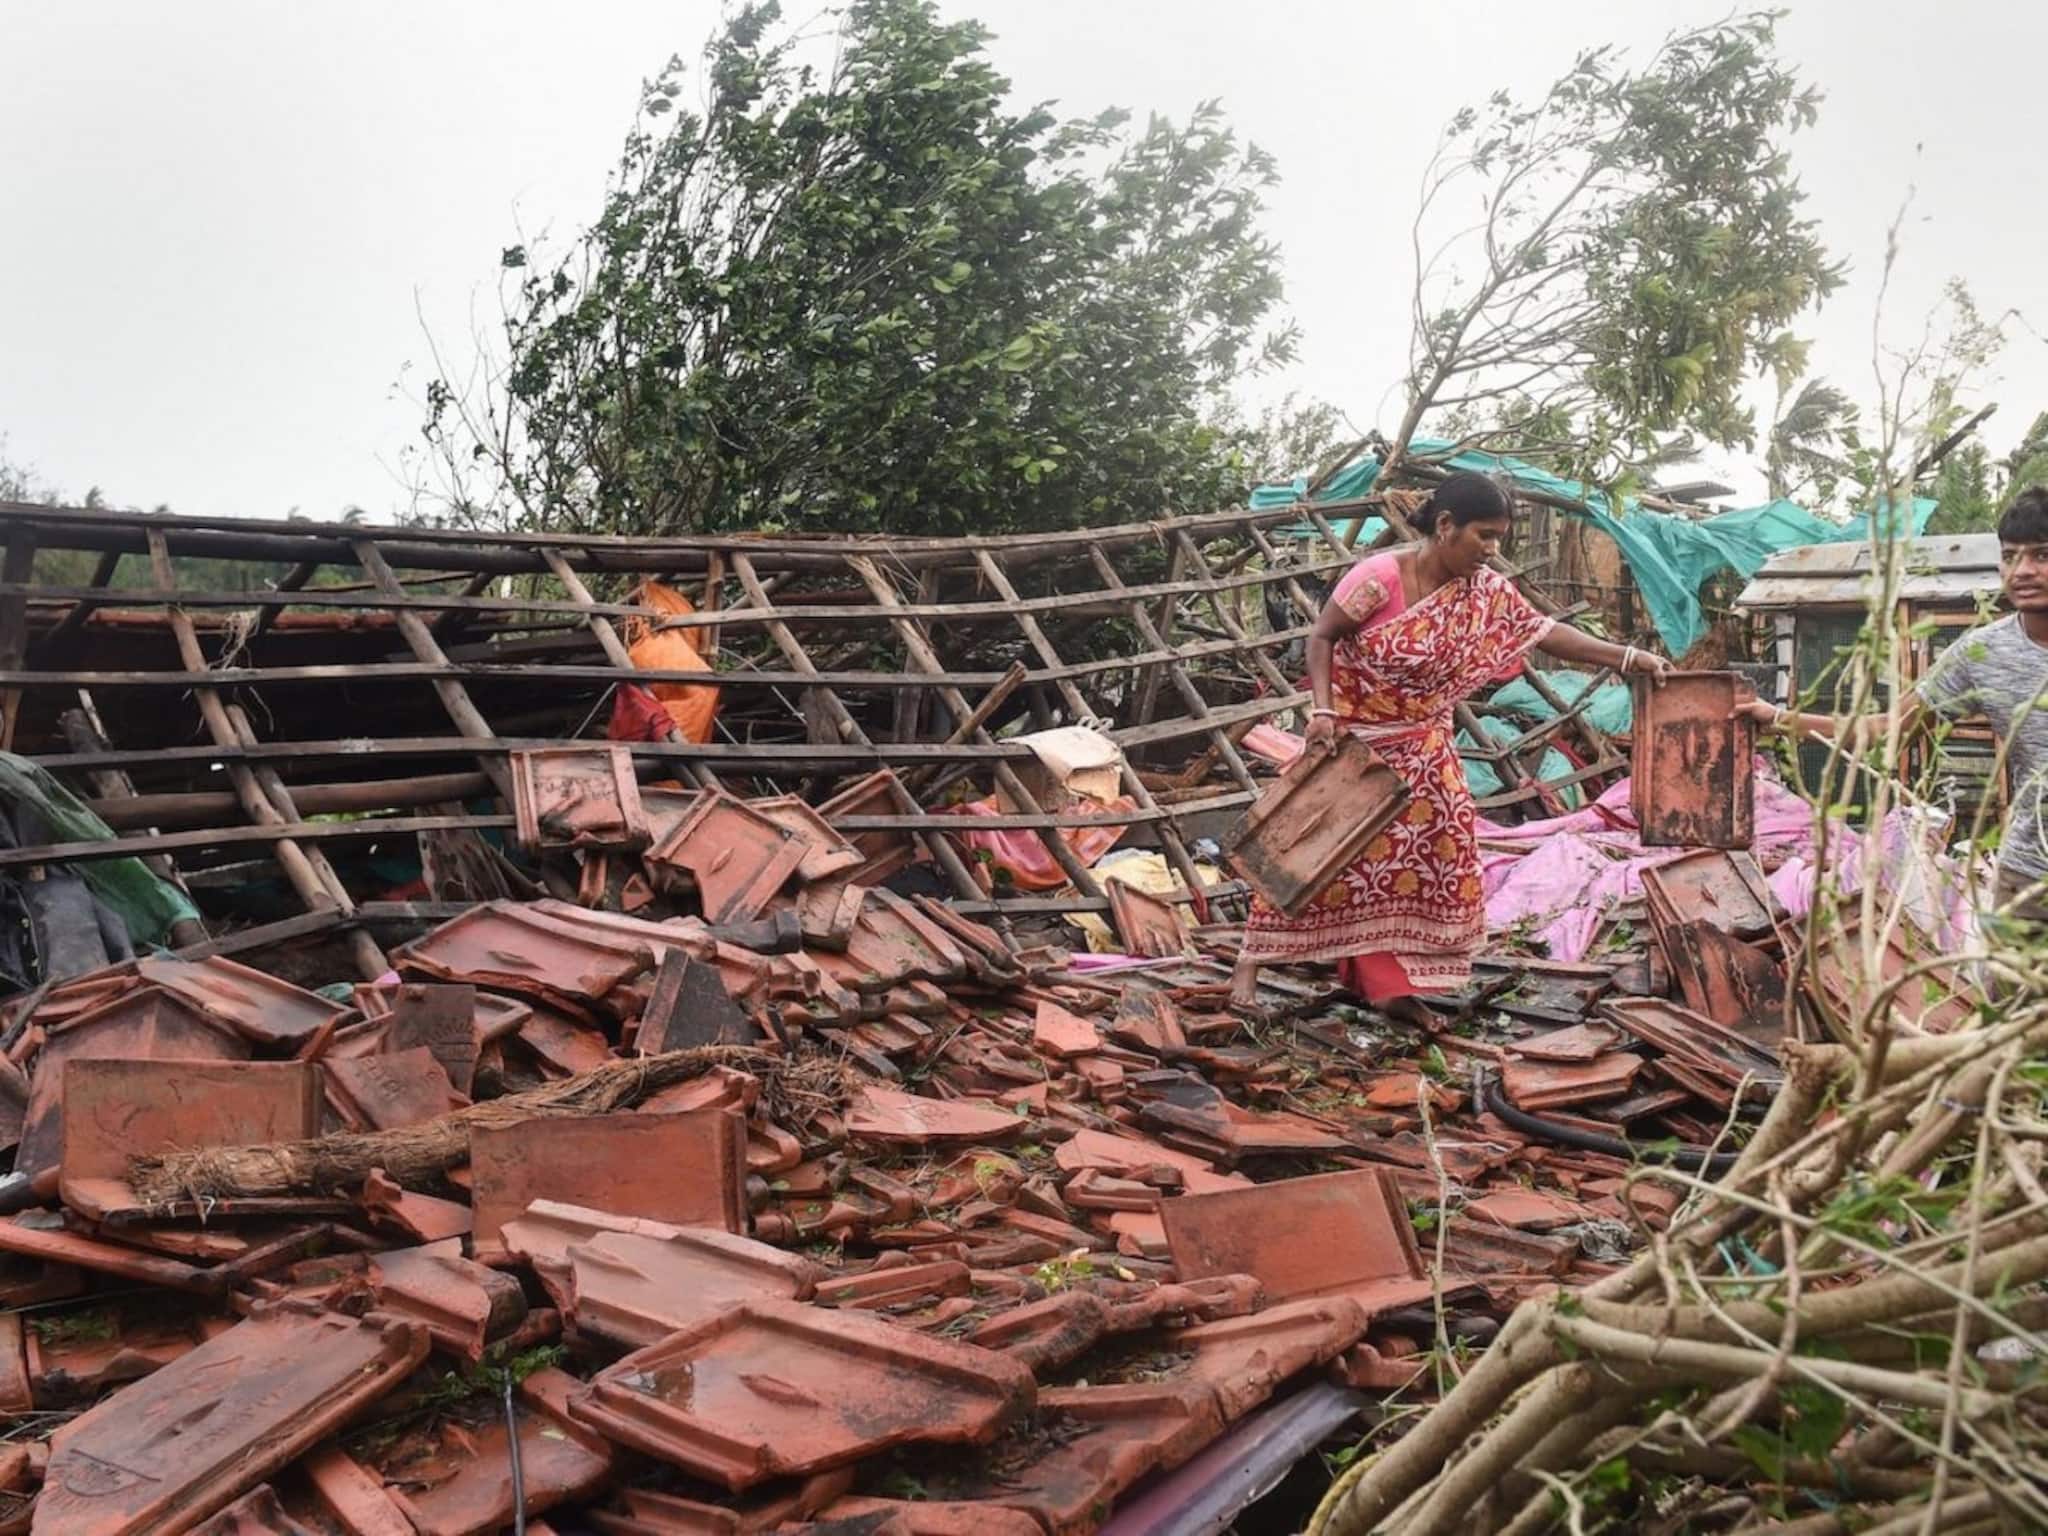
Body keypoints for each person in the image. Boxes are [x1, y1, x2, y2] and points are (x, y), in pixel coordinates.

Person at [1230, 472, 1675, 1027]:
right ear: (1445, 526)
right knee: (1312, 854)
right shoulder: (1377, 579)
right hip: (1357, 744)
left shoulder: (1486, 591)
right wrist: (1320, 712)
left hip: (1425, 745)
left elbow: (1544, 633)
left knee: (1425, 862)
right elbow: (1322, 637)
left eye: (1499, 539)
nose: (1491, 551)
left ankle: (1391, 985)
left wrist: (1628, 658)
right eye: (1483, 536)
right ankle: (1251, 963)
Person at [1740, 483, 2048, 924]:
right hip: (2029, 874)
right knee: (2009, 994)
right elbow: (1889, 727)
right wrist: (1779, 718)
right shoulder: (1982, 652)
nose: (2022, 570)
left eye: (2042, 555)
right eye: (2010, 555)